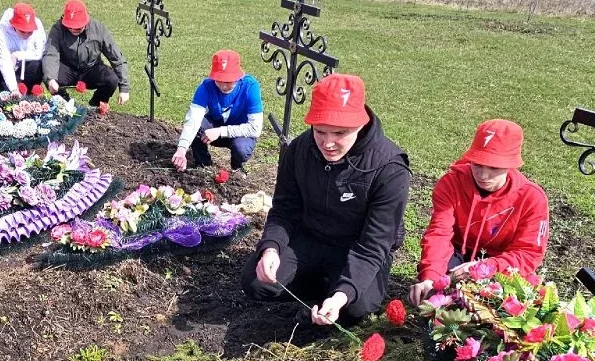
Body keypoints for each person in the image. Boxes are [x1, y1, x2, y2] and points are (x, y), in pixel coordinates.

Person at [242, 73, 410, 326]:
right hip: (310, 239)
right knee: (256, 283)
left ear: (360, 125)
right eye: (320, 131)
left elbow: (374, 244)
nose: (328, 143)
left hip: (356, 247)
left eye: (340, 133)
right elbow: (284, 210)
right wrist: (271, 248)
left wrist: (343, 295)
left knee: (357, 308)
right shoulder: (299, 149)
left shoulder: (390, 168)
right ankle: (319, 288)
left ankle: (334, 291)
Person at [410, 119, 550, 306]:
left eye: (494, 167)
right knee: (441, 299)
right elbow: (439, 233)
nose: (483, 175)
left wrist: (485, 267)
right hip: (457, 254)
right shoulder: (452, 183)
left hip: (502, 266)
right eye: (477, 164)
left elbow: (528, 253)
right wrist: (430, 276)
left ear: (511, 165)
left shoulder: (532, 198)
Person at [171, 50, 264, 172]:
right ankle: (204, 166)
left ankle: (236, 170)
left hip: (240, 133)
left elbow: (255, 129)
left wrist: (220, 131)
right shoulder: (206, 87)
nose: (223, 86)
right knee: (197, 128)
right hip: (214, 127)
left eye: (228, 81)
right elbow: (193, 119)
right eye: (219, 80)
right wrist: (181, 150)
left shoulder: (250, 87)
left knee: (241, 149)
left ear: (238, 77)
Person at [41, 0, 130, 109]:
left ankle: (97, 104)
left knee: (111, 79)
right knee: (49, 73)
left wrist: (124, 89)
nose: (74, 29)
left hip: (91, 68)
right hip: (67, 68)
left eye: (78, 27)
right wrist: (50, 79)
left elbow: (116, 57)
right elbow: (51, 54)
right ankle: (64, 103)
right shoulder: (57, 29)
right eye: (70, 26)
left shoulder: (98, 29)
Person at [0, 2, 46, 93]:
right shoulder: (1, 34)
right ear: (13, 25)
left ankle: (30, 95)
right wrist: (14, 89)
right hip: (6, 68)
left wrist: (18, 55)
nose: (27, 34)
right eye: (22, 31)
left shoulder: (38, 25)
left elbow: (40, 52)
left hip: (29, 65)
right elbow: (5, 63)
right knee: (10, 100)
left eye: (30, 31)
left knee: (38, 65)